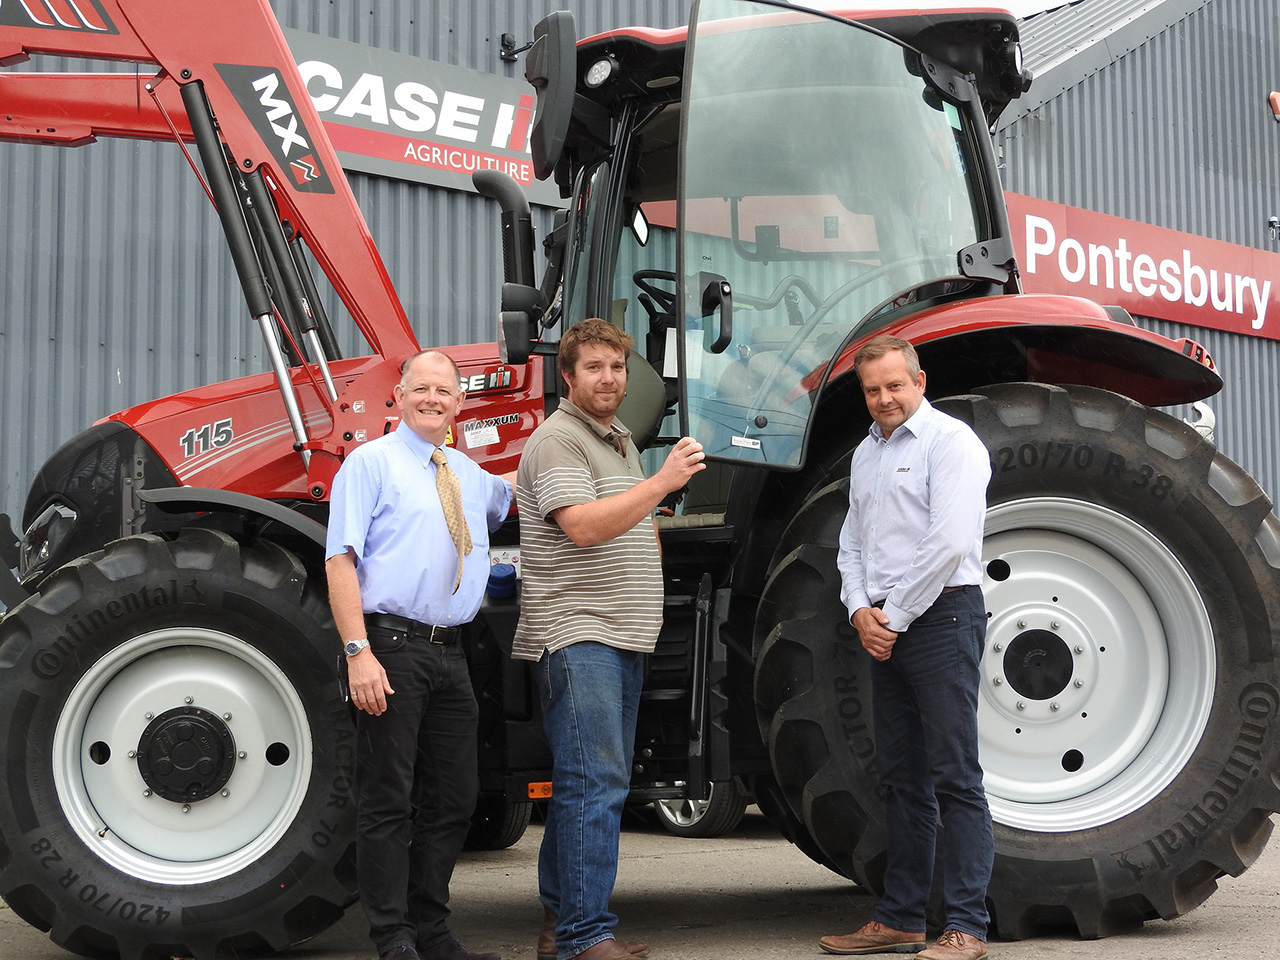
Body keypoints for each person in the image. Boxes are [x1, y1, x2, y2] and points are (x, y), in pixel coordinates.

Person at [512, 318, 706, 960]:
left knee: (587, 785)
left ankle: (557, 929)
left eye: (617, 367)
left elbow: (631, 524)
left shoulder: (619, 441)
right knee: (596, 785)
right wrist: (661, 483)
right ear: (567, 377)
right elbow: (584, 529)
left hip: (622, 636)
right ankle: (584, 936)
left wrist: (650, 501)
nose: (609, 379)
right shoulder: (557, 440)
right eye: (594, 367)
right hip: (579, 634)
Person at [326, 349, 513, 960]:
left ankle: (431, 928)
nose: (433, 399)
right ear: (400, 396)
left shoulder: (466, 473)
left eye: (445, 391)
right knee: (388, 799)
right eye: (421, 389)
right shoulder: (368, 464)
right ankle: (393, 937)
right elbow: (340, 560)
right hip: (391, 648)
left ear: (460, 403)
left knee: (456, 798)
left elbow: (513, 495)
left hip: (452, 654)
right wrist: (359, 652)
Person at [819, 335, 994, 960]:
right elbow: (852, 544)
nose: (885, 398)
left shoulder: (953, 445)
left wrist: (889, 615)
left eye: (895, 385)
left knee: (955, 776)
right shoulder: (866, 454)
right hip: (887, 624)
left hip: (942, 616)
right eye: (873, 390)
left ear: (919, 381)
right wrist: (860, 609)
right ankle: (901, 918)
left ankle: (967, 927)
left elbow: (948, 541)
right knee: (900, 777)